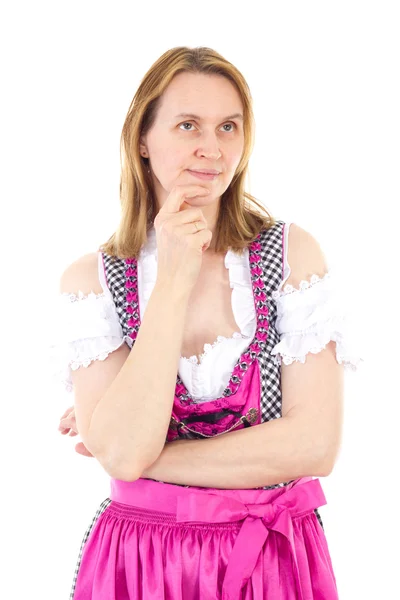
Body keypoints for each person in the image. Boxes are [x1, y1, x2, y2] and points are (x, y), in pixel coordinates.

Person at [48, 46, 363, 599]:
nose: (212, 149)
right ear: (142, 140)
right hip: (140, 562)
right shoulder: (93, 281)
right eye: (188, 124)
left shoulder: (290, 257)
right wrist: (171, 278)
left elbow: (315, 445)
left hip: (272, 557)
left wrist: (143, 456)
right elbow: (121, 453)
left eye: (229, 127)